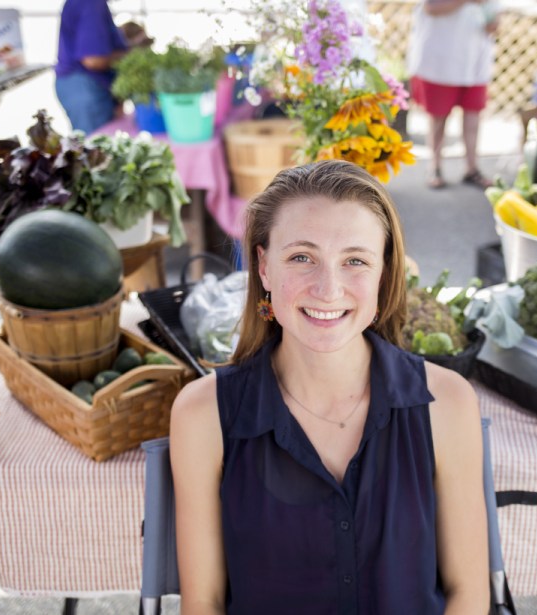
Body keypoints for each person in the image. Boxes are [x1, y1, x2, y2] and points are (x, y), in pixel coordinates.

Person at [170, 159, 489, 614]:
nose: (328, 288)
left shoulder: (447, 403)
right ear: (262, 267)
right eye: (302, 257)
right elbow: (203, 604)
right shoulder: (202, 415)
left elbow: (468, 596)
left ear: (383, 273)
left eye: (355, 261)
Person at [406, 0, 499, 189]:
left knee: (473, 117)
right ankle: (435, 167)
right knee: (438, 118)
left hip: (475, 62)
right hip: (441, 61)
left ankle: (471, 168)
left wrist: (491, 22)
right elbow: (430, 7)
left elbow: (493, 22)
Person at [55, 0, 128, 135]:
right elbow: (93, 60)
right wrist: (126, 56)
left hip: (84, 86)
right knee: (98, 147)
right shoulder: (91, 3)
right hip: (85, 87)